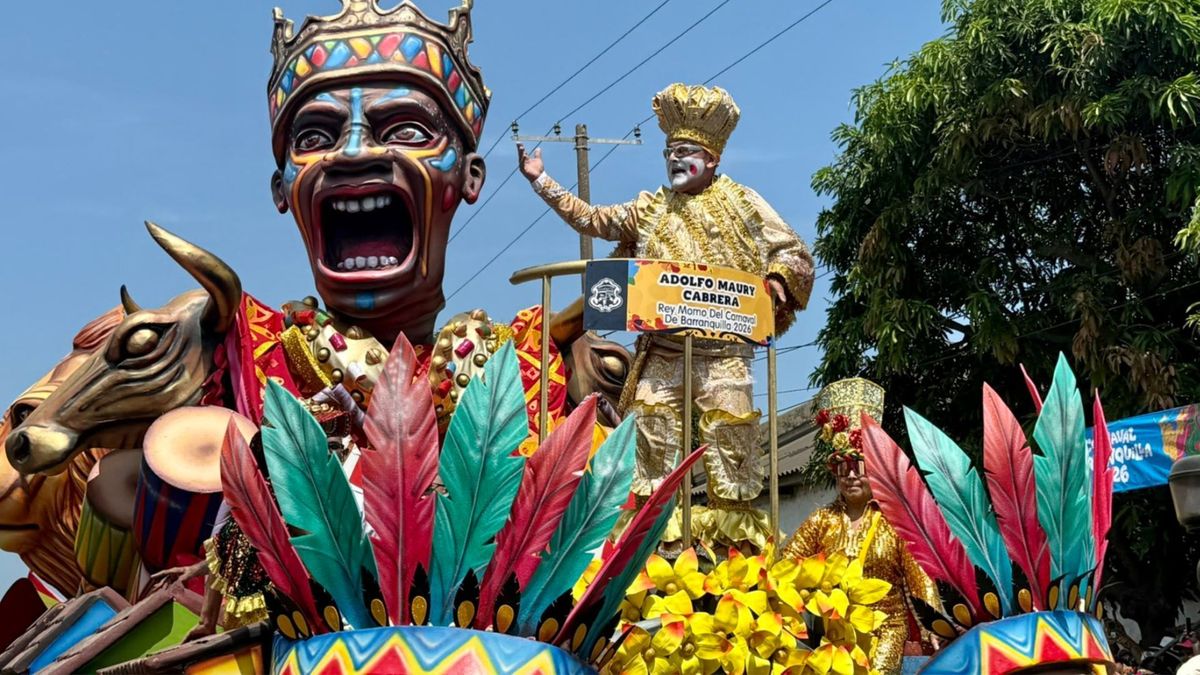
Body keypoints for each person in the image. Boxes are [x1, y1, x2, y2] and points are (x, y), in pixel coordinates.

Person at [519, 83, 815, 551]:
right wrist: (542, 181)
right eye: (669, 153)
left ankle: (733, 551)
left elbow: (792, 251)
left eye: (686, 152)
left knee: (732, 436)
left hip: (723, 351)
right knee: (650, 433)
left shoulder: (743, 202)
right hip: (662, 350)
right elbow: (593, 219)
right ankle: (653, 541)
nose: (675, 160)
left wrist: (776, 282)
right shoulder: (650, 207)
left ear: (712, 158)